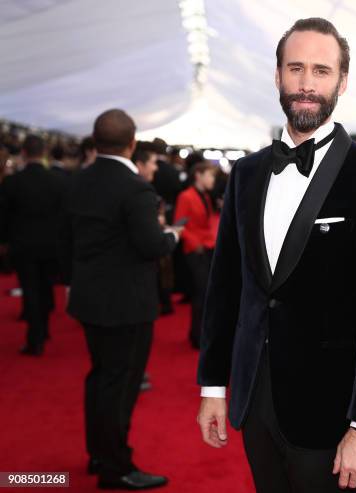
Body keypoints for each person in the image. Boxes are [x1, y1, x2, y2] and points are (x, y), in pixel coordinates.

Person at [196, 17, 356, 492]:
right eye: (295, 69)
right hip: (254, 400)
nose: (306, 84)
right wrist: (213, 387)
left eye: (321, 71)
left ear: (342, 82)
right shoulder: (247, 174)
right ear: (277, 76)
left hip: (330, 411)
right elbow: (226, 285)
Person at [59, 109, 181, 490]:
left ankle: (99, 454)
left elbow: (70, 238)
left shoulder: (79, 181)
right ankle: (116, 466)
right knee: (120, 385)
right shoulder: (135, 189)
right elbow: (150, 245)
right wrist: (172, 237)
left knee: (99, 378)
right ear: (132, 144)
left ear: (95, 142)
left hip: (89, 298)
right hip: (126, 305)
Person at [0, 134, 65, 355]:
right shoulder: (58, 181)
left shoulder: (12, 182)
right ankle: (43, 330)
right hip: (51, 245)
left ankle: (35, 337)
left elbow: (3, 217)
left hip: (23, 246)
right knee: (46, 288)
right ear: (44, 154)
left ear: (24, 153)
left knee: (31, 289)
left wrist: (4, 242)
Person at [174, 161, 220, 348]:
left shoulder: (205, 196)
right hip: (195, 251)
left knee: (206, 294)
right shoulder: (186, 197)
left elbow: (206, 223)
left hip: (208, 247)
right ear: (198, 175)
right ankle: (197, 337)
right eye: (210, 175)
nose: (213, 180)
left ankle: (202, 334)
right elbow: (179, 225)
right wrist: (197, 244)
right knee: (201, 294)